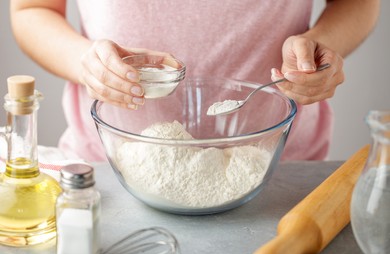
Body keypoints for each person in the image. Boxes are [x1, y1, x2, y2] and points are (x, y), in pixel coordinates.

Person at [10, 0, 380, 162]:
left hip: (277, 167)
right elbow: (31, 9)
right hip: (111, 168)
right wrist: (84, 62)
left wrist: (321, 49)